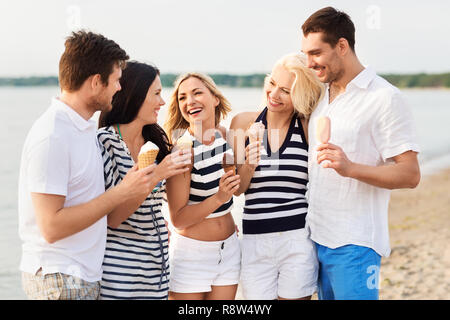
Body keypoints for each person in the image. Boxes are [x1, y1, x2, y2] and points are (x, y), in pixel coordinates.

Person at [18, 31, 157, 300]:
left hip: (80, 278)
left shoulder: (82, 129)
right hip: (60, 280)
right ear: (96, 82)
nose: (119, 88)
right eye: (116, 81)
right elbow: (51, 227)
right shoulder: (53, 134)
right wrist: (122, 192)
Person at [301, 7, 421, 300]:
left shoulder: (385, 98)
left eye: (316, 53)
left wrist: (351, 167)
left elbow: (410, 174)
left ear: (342, 46)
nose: (309, 63)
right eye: (305, 54)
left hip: (355, 245)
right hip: (316, 238)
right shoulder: (322, 96)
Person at [229, 53, 324, 300]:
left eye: (286, 90)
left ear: (301, 95)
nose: (274, 94)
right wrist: (249, 163)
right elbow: (237, 189)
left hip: (297, 238)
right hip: (254, 240)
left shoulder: (306, 126)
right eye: (272, 83)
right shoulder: (242, 123)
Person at [97, 61, 191, 299]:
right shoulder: (105, 142)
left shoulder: (157, 143)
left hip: (156, 272)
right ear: (135, 95)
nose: (162, 102)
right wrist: (158, 175)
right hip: (120, 274)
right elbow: (114, 218)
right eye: (157, 94)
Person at [164, 72, 241, 300]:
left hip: (229, 250)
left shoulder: (226, 137)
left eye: (197, 93)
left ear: (215, 98)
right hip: (191, 256)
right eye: (182, 98)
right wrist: (219, 198)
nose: (190, 102)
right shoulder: (183, 149)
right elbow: (178, 218)